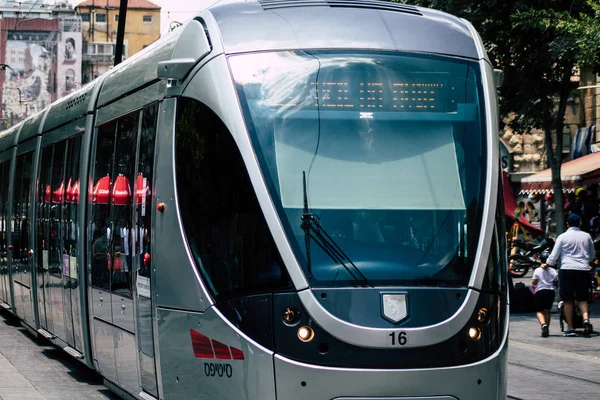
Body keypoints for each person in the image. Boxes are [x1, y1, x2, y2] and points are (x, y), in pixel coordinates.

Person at [546, 213, 596, 336]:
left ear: (567, 224)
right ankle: (585, 319)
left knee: (567, 300)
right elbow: (592, 255)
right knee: (582, 298)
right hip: (583, 269)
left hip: (567, 269)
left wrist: (547, 263)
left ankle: (570, 327)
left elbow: (554, 256)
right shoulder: (586, 236)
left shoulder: (562, 237)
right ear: (579, 223)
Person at [531, 249, 558, 337]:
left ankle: (543, 325)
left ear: (540, 260)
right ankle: (547, 327)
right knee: (547, 310)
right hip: (550, 291)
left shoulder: (537, 270)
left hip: (540, 291)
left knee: (539, 310)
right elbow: (556, 282)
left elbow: (534, 282)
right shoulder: (554, 271)